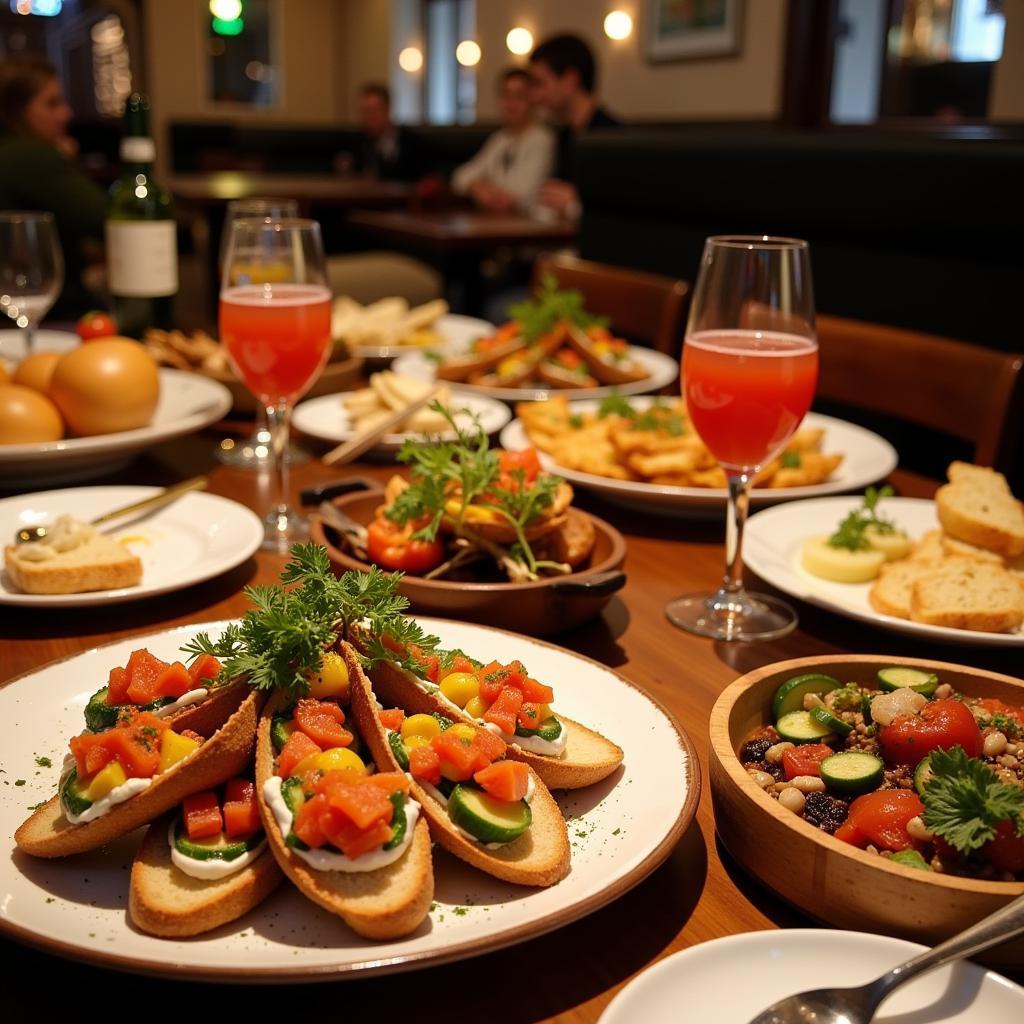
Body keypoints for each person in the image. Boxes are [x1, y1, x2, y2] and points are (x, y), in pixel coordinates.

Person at [0, 55, 107, 319]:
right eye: (52, 103)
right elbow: (108, 219)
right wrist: (65, 161)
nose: (66, 113)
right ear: (16, 110)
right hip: (54, 313)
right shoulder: (31, 157)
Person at [528, 33, 620, 220]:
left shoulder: (613, 139)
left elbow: (622, 216)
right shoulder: (563, 137)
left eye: (540, 84)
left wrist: (574, 205)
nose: (534, 97)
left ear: (570, 80)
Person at [451, 68, 555, 215]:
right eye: (506, 96)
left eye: (519, 96)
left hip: (529, 228)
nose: (511, 104)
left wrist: (486, 190)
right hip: (498, 224)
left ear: (532, 99)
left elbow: (520, 197)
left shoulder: (542, 139)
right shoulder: (500, 140)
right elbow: (460, 176)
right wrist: (478, 188)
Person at [353, 82, 429, 182]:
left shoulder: (413, 143)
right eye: (366, 111)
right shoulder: (357, 144)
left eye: (375, 110)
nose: (370, 117)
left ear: (388, 109)